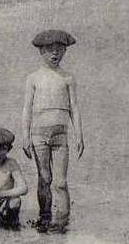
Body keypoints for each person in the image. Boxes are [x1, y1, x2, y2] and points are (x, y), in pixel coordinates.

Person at [21, 30, 84, 233]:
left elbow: (74, 107)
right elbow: (27, 108)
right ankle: (45, 216)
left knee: (61, 181)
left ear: (65, 51)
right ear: (41, 51)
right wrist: (25, 136)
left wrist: (79, 135)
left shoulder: (68, 78)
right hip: (38, 135)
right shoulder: (33, 78)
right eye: (50, 50)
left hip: (61, 135)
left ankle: (63, 220)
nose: (55, 54)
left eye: (59, 50)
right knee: (44, 179)